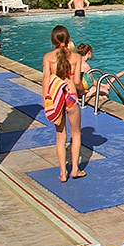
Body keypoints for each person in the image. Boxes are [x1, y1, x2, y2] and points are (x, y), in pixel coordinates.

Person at [42, 25, 85, 182]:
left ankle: (62, 173)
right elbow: (77, 81)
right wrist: (82, 91)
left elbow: (46, 80)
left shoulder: (48, 57)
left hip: (56, 96)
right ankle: (75, 169)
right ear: (68, 39)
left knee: (60, 136)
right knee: (76, 133)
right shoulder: (76, 58)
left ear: (53, 40)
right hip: (71, 96)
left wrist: (45, 99)